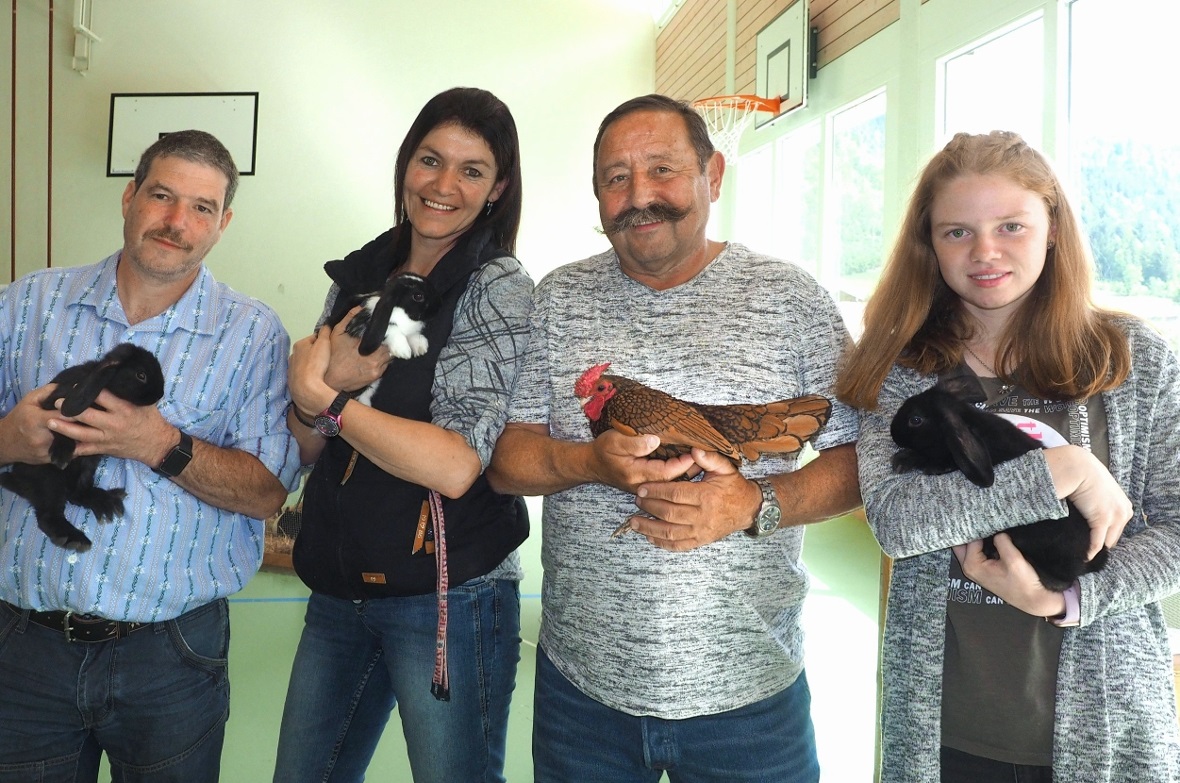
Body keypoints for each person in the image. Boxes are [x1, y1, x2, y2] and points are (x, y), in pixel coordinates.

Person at [486, 94, 861, 782]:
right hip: (584, 693)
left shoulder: (790, 298)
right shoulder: (559, 298)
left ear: (712, 175)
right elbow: (507, 462)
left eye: (662, 169)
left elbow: (863, 460)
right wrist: (590, 463)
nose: (639, 196)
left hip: (751, 694)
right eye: (616, 177)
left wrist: (753, 504)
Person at [837, 130, 1180, 782]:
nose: (985, 251)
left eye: (1011, 226)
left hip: (1108, 726)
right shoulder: (903, 370)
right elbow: (898, 521)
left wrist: (1067, 598)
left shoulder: (1134, 360)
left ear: (1052, 230)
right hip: (949, 733)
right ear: (929, 244)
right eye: (957, 232)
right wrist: (1059, 470)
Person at [0, 130, 300, 781]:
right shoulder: (26, 305)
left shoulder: (252, 335)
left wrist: (158, 443)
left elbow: (266, 493)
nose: (176, 221)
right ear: (130, 196)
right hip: (22, 650)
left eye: (201, 207)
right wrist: (8, 440)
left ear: (223, 223)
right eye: (162, 196)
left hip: (171, 659)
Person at [273, 87, 532, 783]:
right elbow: (302, 448)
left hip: (448, 597)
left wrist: (327, 398)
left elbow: (454, 465)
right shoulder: (359, 273)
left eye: (472, 170)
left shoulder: (497, 286)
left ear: (497, 188)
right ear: (406, 163)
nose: (444, 185)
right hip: (340, 586)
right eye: (430, 159)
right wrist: (316, 400)